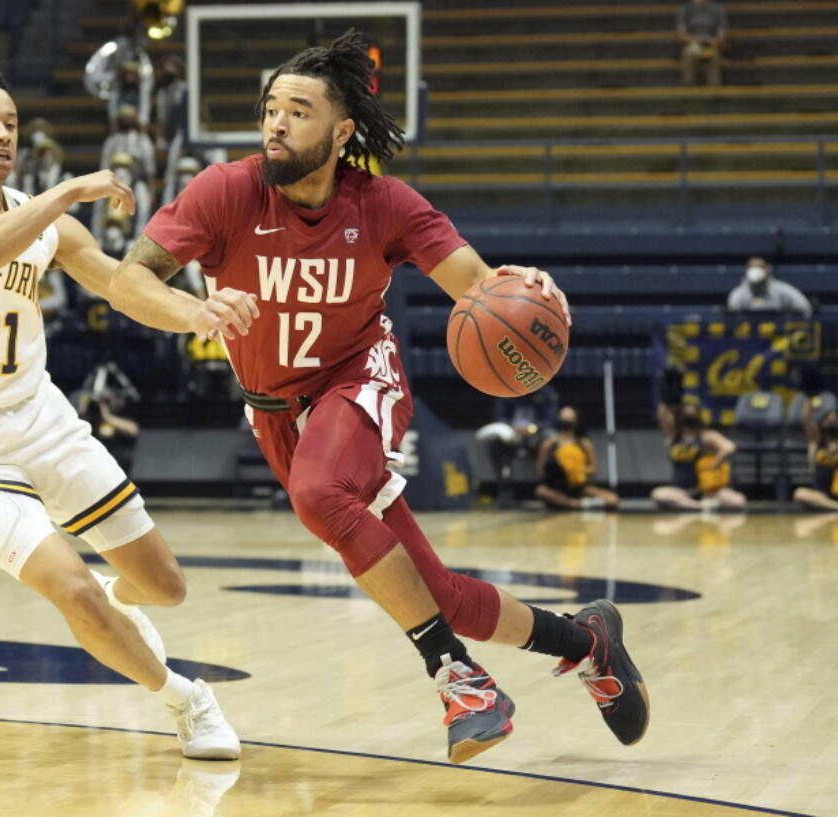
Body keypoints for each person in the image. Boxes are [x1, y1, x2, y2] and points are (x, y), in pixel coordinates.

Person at [108, 31, 648, 764]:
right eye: (270, 108)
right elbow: (129, 279)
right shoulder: (226, 190)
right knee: (439, 593)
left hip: (357, 378)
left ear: (341, 131)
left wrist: (516, 294)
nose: (275, 122)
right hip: (274, 411)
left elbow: (476, 287)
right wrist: (191, 311)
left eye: (297, 111)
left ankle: (459, 680)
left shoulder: (384, 203)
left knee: (321, 493)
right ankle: (588, 641)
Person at [0, 67, 239, 760]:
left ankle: (113, 602)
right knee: (72, 590)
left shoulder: (42, 219)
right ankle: (186, 700)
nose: (3, 133)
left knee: (164, 586)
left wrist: (198, 315)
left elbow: (120, 286)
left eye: (10, 121)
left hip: (42, 419)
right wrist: (70, 189)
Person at [651, 401, 747, 511]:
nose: (689, 415)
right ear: (679, 417)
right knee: (658, 494)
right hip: (682, 490)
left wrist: (713, 465)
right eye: (686, 413)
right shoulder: (673, 436)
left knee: (739, 501)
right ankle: (699, 506)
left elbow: (729, 447)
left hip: (707, 490)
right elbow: (663, 417)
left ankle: (699, 504)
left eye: (693, 412)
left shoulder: (706, 436)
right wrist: (661, 403)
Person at [475, 385, 558, 506]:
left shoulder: (546, 393)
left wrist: (532, 428)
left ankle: (549, 488)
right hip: (512, 435)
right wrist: (514, 426)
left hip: (538, 436)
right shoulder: (506, 388)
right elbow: (499, 417)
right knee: (494, 442)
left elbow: (550, 421)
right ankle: (505, 490)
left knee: (551, 440)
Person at [534, 406, 619, 511]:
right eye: (564, 420)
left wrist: (576, 471)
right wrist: (557, 472)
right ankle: (575, 504)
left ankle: (578, 503)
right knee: (541, 491)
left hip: (579, 487)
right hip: (557, 487)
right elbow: (540, 471)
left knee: (612, 499)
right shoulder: (549, 444)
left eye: (569, 420)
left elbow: (594, 469)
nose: (567, 424)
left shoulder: (584, 443)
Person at [726, 257, 812, 317]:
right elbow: (733, 318)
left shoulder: (783, 290)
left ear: (767, 270)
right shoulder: (738, 294)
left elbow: (804, 308)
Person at [793, 402, 838, 512]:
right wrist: (810, 399)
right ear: (822, 424)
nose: (831, 422)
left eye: (835, 420)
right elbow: (806, 421)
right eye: (828, 420)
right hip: (821, 494)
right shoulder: (816, 443)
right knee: (799, 493)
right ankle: (834, 506)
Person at [677, 0, 727, 86]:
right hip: (692, 44)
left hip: (711, 44)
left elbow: (721, 34)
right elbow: (682, 34)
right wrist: (697, 41)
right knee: (688, 54)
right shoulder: (686, 9)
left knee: (714, 55)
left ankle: (714, 88)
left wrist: (714, 42)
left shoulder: (717, 9)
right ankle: (689, 86)